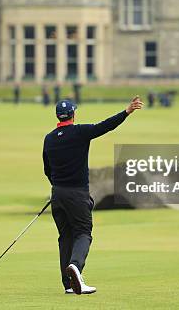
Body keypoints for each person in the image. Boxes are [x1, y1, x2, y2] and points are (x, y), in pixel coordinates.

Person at [43, 96, 143, 295]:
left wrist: (57, 189)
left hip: (58, 194)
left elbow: (47, 169)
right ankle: (76, 268)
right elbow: (105, 126)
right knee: (83, 233)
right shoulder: (80, 132)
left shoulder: (49, 138)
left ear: (58, 116)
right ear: (73, 114)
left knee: (65, 237)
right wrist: (127, 112)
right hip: (77, 194)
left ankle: (69, 285)